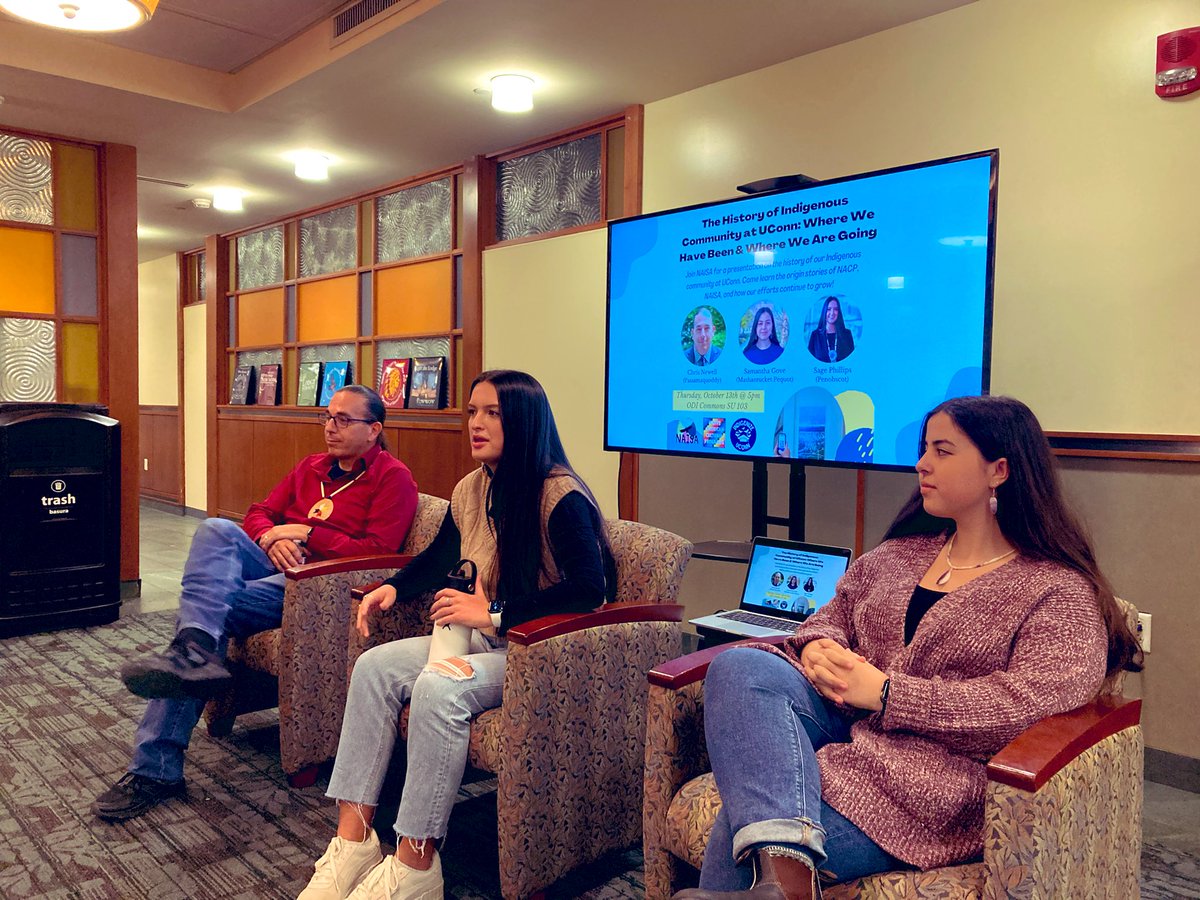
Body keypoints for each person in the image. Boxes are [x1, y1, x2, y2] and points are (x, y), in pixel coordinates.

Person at [674, 395, 1141, 900]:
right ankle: (788, 890)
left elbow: (1028, 706)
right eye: (924, 449)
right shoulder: (900, 553)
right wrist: (815, 648)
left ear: (998, 471)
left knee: (747, 823)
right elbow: (831, 616)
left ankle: (782, 881)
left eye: (943, 451)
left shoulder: (1058, 591)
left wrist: (888, 694)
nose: (922, 464)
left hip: (931, 789)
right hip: (847, 733)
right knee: (739, 666)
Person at [298, 369, 616, 900]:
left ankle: (416, 863)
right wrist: (393, 589)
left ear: (523, 422)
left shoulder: (559, 495)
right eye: (472, 411)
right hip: (484, 640)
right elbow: (440, 555)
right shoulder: (473, 488)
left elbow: (589, 591)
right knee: (374, 668)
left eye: (492, 413)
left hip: (538, 650)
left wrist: (492, 611)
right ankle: (353, 842)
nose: (476, 423)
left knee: (439, 685)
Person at [92, 385, 418, 822]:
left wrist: (305, 534)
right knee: (216, 532)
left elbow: (378, 550)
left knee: (207, 613)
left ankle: (157, 765)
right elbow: (259, 511)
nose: (330, 427)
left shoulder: (392, 478)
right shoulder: (311, 467)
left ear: (374, 429)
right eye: (327, 416)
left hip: (320, 588)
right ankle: (193, 649)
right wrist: (270, 536)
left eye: (344, 420)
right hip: (273, 566)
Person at [806, 296, 855, 363]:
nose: (832, 313)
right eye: (829, 309)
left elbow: (853, 361)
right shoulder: (815, 335)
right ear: (824, 311)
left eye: (835, 309)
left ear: (839, 312)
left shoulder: (847, 334)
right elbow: (809, 363)